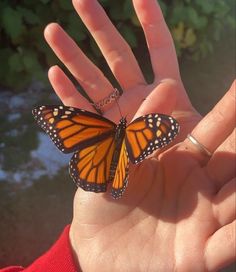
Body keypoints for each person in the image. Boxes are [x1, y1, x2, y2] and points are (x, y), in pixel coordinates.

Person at [1, 0, 235, 271]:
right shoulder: (138, 130)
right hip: (120, 166)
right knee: (120, 167)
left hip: (96, 158)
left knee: (111, 166)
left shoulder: (99, 127)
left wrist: (80, 260)